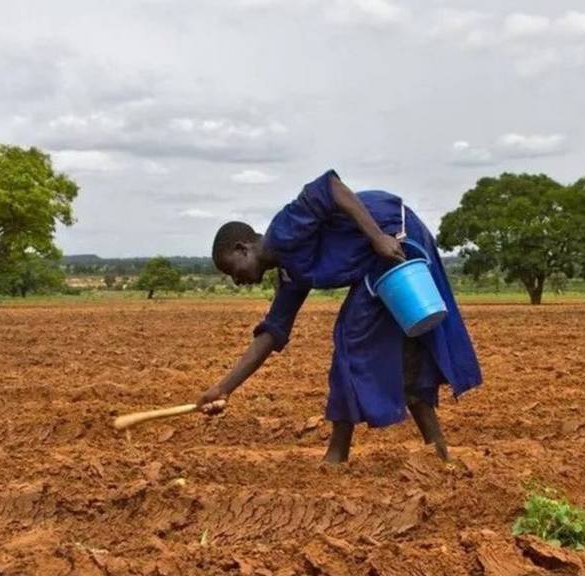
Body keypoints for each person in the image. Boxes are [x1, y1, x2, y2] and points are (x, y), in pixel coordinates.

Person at [198, 170, 482, 463]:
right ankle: (437, 453)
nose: (237, 280)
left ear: (242, 248)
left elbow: (331, 186)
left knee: (351, 338)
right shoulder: (290, 274)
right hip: (380, 255)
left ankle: (337, 454)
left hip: (394, 237)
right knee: (410, 348)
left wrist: (377, 237)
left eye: (232, 270)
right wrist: (223, 389)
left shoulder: (283, 230)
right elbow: (271, 334)